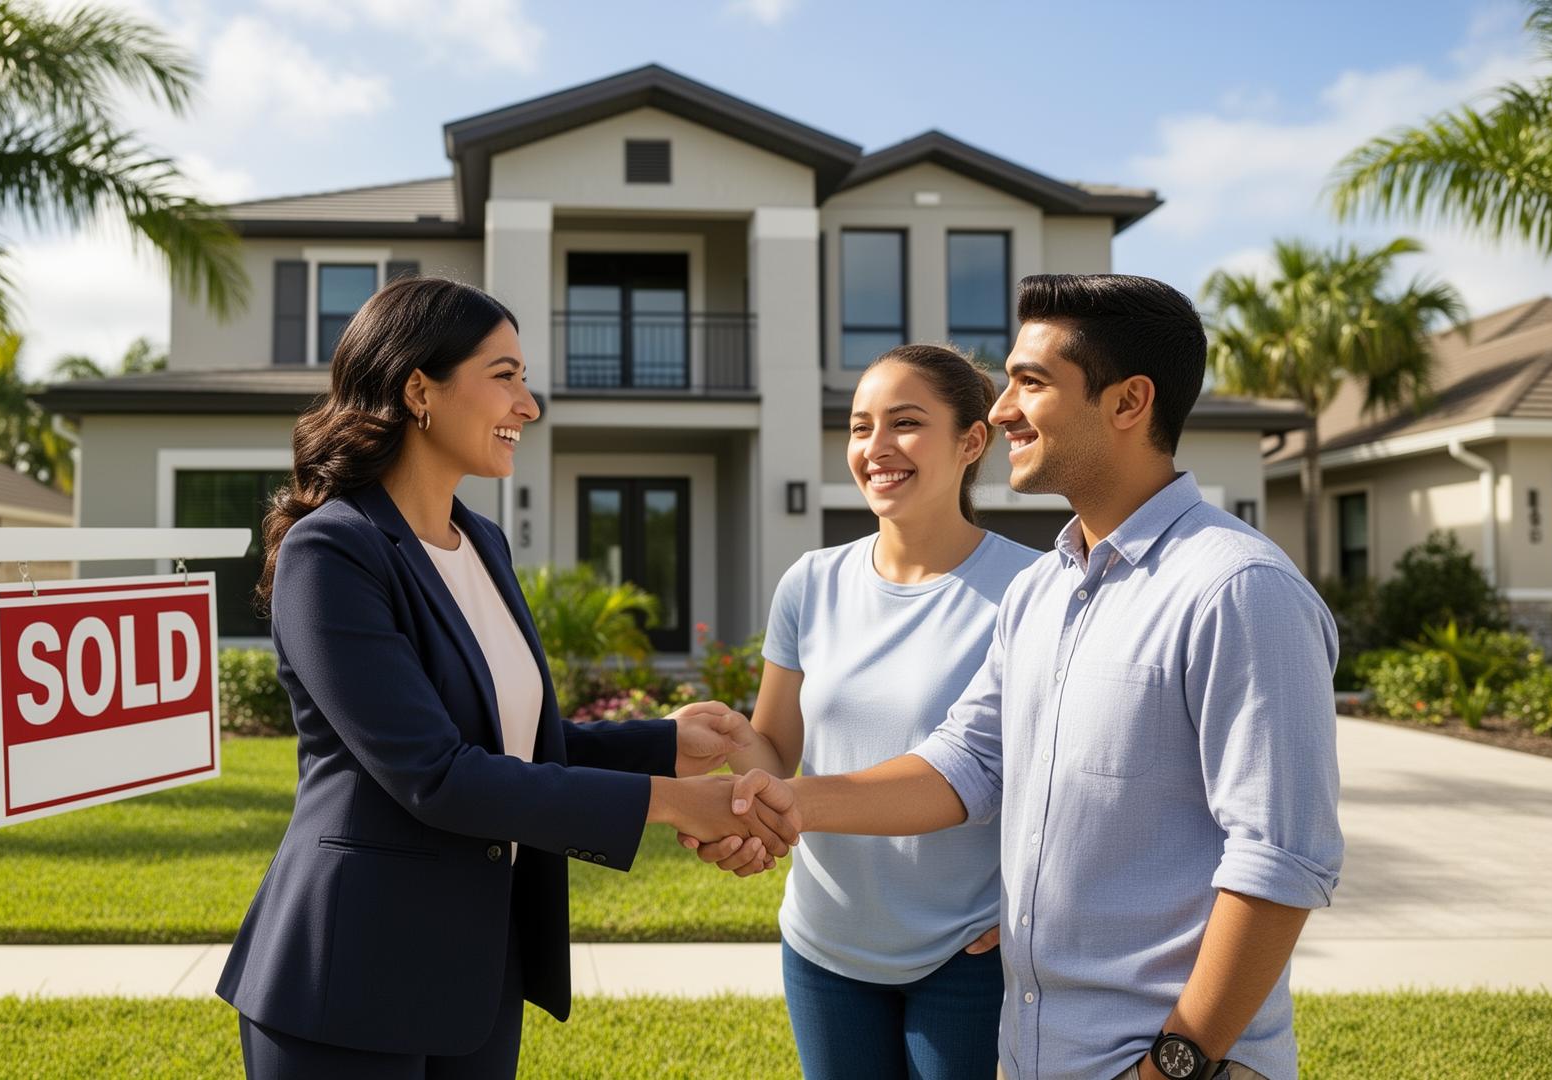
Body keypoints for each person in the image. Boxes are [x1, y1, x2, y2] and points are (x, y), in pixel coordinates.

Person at [706, 275, 1344, 1080]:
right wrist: (787, 800)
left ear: (1128, 402)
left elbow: (1281, 860)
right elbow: (966, 764)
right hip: (1041, 1052)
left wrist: (1174, 1066)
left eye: (1031, 382)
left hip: (1161, 1061)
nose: (1002, 408)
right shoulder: (1045, 588)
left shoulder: (1238, 590)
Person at [216, 276, 793, 1079]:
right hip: (343, 979)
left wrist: (665, 747)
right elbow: (436, 774)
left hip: (475, 977)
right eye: (506, 376)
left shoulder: (483, 542)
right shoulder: (332, 551)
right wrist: (670, 804)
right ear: (420, 389)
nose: (529, 405)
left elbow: (516, 744)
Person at [683, 344, 1036, 1078]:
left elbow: (1062, 781)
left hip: (965, 946)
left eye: (905, 424)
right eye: (858, 427)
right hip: (825, 943)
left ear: (972, 441)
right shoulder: (811, 582)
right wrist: (737, 743)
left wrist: (1031, 910)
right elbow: (778, 753)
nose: (876, 449)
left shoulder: (1030, 590)